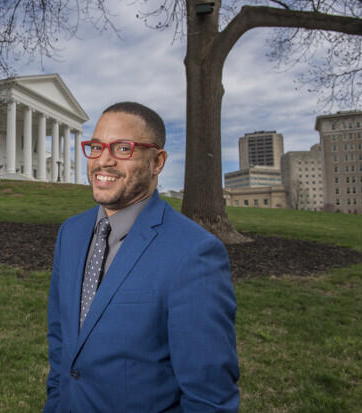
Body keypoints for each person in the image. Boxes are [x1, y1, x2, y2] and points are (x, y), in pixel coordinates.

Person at [44, 102, 239, 413]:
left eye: (122, 148)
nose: (103, 161)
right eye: (96, 147)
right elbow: (61, 345)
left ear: (157, 161)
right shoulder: (71, 233)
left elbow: (209, 398)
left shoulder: (194, 253)